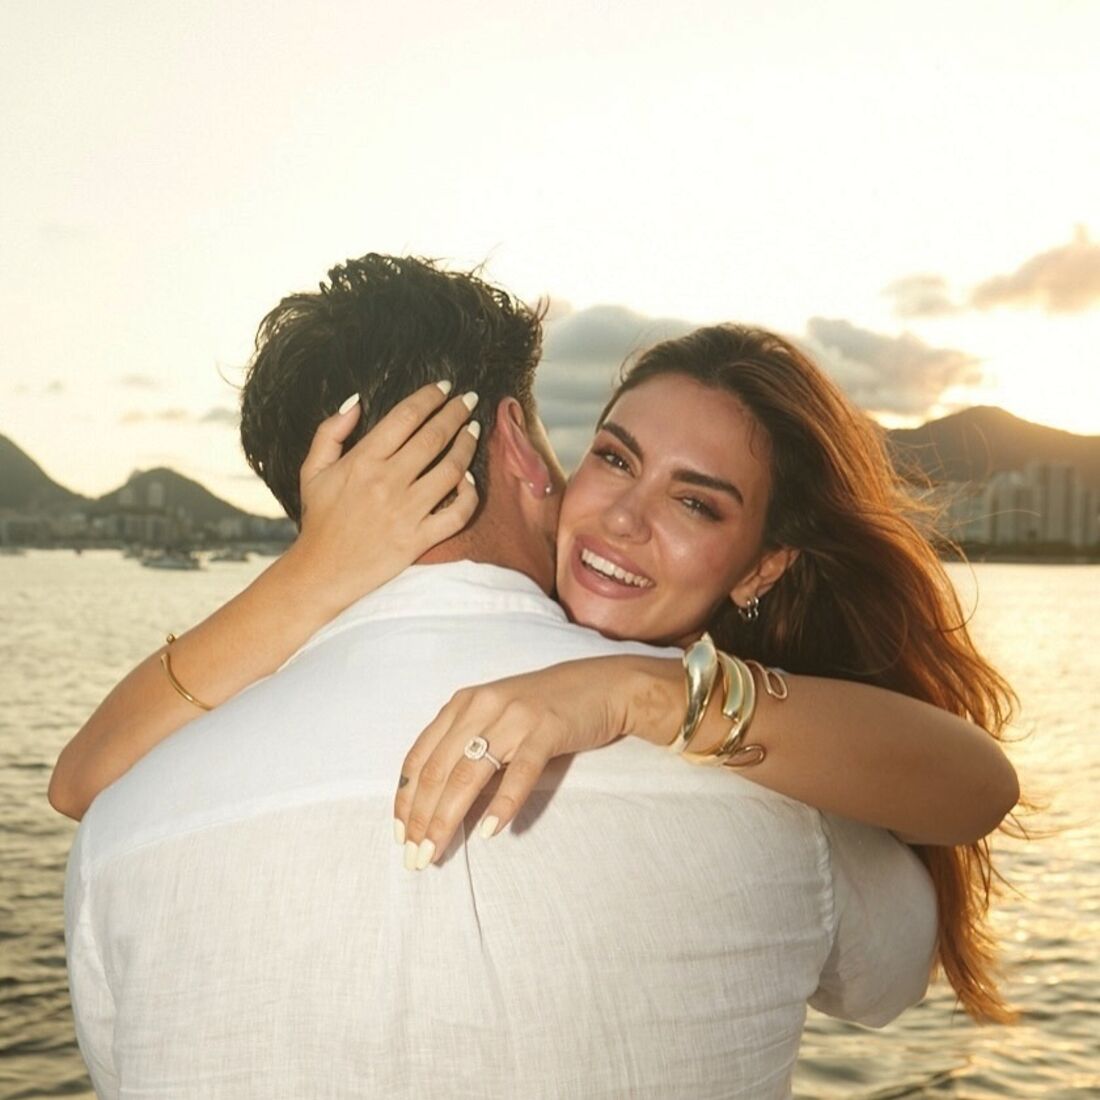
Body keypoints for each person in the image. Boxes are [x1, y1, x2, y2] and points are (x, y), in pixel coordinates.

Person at [57, 254, 1014, 1097]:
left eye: (696, 502)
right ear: (521, 440)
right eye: (609, 456)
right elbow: (898, 963)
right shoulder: (772, 785)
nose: (622, 520)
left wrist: (636, 690)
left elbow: (84, 785)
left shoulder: (127, 830)